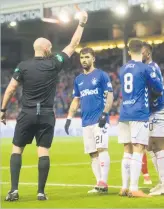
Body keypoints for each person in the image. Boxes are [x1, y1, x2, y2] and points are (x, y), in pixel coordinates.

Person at [1, 11, 88, 201]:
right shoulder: (53, 63)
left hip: (27, 113)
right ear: (47, 49)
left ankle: (14, 190)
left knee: (17, 149)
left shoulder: (23, 66)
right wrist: (81, 23)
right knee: (43, 151)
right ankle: (40, 192)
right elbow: (73, 45)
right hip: (46, 114)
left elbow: (10, 89)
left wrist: (2, 110)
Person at [64, 47, 113, 194]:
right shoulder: (78, 79)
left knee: (101, 148)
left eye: (87, 57)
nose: (84, 60)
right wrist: (68, 118)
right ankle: (99, 183)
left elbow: (109, 96)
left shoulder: (101, 75)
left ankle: (104, 181)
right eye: (82, 58)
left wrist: (105, 113)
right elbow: (76, 100)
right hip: (85, 122)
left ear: (93, 58)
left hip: (99, 119)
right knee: (92, 153)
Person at [118, 39, 163, 198]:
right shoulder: (145, 68)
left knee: (127, 150)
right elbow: (158, 88)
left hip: (124, 112)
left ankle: (124, 187)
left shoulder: (122, 69)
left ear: (129, 51)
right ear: (142, 50)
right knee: (139, 149)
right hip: (139, 112)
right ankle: (135, 188)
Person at [142, 42, 164, 195]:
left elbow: (158, 90)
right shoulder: (148, 67)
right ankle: (163, 182)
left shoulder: (150, 68)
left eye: (140, 52)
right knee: (150, 147)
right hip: (152, 112)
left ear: (147, 53)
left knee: (158, 147)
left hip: (159, 110)